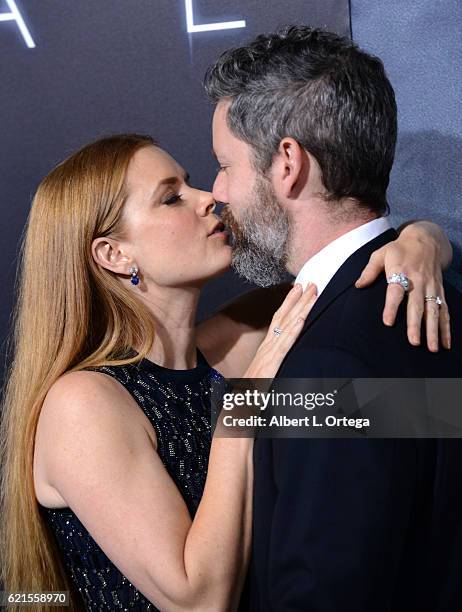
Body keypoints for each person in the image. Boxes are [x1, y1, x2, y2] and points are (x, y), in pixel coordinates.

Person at [0, 132, 453, 612]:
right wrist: (244, 405)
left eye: (192, 184)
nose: (208, 198)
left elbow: (418, 415)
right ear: (114, 255)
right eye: (172, 197)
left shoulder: (241, 341)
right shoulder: (83, 405)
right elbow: (199, 600)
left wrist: (424, 240)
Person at [204, 26, 462, 611]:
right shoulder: (440, 297)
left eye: (225, 164)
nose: (216, 190)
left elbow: (323, 591)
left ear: (288, 163)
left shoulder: (328, 364)